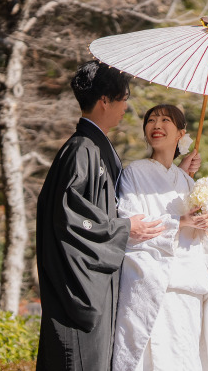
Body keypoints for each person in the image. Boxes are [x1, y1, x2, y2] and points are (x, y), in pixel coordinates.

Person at [36, 61, 167, 371]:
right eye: (123, 98)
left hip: (98, 286)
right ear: (105, 100)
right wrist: (123, 228)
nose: (126, 107)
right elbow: (67, 219)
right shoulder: (82, 149)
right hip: (79, 293)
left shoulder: (95, 147)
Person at [112, 104, 208, 371]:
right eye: (151, 120)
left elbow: (200, 237)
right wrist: (181, 221)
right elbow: (131, 223)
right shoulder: (134, 172)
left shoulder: (187, 182)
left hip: (188, 288)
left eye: (165, 120)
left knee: (184, 358)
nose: (156, 125)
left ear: (181, 134)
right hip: (153, 286)